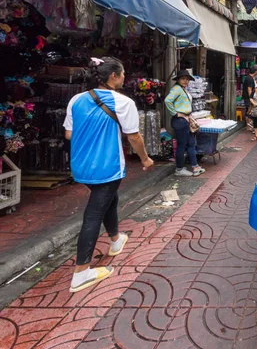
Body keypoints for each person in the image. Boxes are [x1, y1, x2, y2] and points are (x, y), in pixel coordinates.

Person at [63, 57, 154, 292]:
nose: (124, 78)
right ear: (113, 76)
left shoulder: (76, 100)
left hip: (81, 165)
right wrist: (145, 159)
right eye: (123, 74)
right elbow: (133, 136)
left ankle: (115, 240)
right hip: (107, 166)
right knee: (94, 213)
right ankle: (81, 272)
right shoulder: (122, 102)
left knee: (109, 200)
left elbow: (69, 135)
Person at [165, 70, 205, 177]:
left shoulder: (182, 89)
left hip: (185, 120)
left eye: (187, 79)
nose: (185, 81)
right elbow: (167, 101)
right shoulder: (176, 89)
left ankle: (195, 166)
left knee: (191, 144)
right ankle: (179, 169)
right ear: (178, 79)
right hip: (180, 121)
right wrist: (176, 114)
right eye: (183, 79)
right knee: (182, 145)